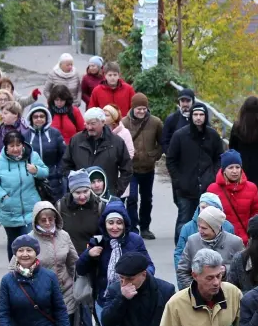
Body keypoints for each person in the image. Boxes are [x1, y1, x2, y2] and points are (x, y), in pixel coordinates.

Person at [75, 199, 154, 326]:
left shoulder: (134, 240)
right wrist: (88, 254)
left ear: (125, 223)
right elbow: (80, 269)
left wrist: (142, 277)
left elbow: (149, 265)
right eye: (111, 223)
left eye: (119, 222)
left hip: (133, 297)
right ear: (104, 224)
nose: (115, 227)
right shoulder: (97, 241)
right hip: (106, 299)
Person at [16, 201, 84, 326]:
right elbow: (16, 267)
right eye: (43, 219)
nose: (47, 223)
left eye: (50, 219)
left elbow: (74, 262)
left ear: (56, 218)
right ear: (36, 220)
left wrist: (78, 282)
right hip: (41, 299)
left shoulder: (64, 236)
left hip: (66, 294)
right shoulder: (28, 240)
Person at [58, 168, 110, 326]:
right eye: (78, 192)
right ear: (71, 192)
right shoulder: (61, 206)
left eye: (85, 191)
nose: (82, 196)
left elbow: (107, 233)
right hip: (69, 262)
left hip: (93, 261)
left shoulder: (100, 207)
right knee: (78, 303)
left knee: (90, 301)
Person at [0, 130, 49, 259]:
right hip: (9, 210)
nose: (15, 149)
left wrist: (36, 170)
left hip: (30, 209)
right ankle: (14, 272)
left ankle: (30, 271)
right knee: (14, 244)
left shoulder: (32, 156)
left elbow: (45, 172)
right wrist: (2, 196)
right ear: (6, 147)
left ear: (23, 144)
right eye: (11, 146)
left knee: (28, 241)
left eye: (18, 145)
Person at [166, 101, 225, 238]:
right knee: (184, 221)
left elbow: (219, 157)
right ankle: (181, 253)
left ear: (205, 117)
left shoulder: (213, 135)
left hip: (207, 187)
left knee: (208, 221)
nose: (198, 117)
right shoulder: (180, 135)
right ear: (191, 116)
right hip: (185, 188)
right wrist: (178, 179)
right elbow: (171, 159)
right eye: (195, 114)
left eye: (201, 114)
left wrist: (213, 176)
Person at [62, 107, 132, 199]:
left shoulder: (116, 142)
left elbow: (127, 169)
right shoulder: (76, 140)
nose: (89, 127)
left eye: (93, 124)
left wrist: (117, 190)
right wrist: (75, 185)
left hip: (107, 196)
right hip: (81, 197)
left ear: (103, 122)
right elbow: (66, 166)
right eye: (87, 124)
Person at [122, 93, 162, 240]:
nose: (141, 111)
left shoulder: (156, 122)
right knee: (131, 198)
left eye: (144, 108)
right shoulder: (124, 123)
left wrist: (155, 155)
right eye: (139, 108)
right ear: (133, 107)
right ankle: (133, 227)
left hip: (148, 168)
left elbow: (162, 142)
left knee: (147, 199)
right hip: (131, 169)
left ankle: (145, 227)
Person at [177, 206, 243, 291]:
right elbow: (182, 271)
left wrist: (226, 271)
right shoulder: (192, 241)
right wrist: (196, 291)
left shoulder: (235, 242)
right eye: (199, 226)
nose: (200, 231)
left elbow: (243, 273)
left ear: (215, 228)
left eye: (204, 228)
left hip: (227, 295)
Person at [206, 149, 258, 245]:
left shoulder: (252, 188)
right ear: (224, 170)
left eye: (237, 167)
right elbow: (207, 216)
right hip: (221, 242)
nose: (234, 171)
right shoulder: (213, 189)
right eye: (231, 167)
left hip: (245, 242)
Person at [173, 192, 234, 275]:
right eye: (203, 207)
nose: (205, 210)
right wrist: (187, 279)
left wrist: (225, 271)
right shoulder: (187, 228)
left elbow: (234, 256)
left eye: (209, 207)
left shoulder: (228, 227)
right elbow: (179, 255)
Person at [229, 96, 258, 198]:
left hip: (241, 170)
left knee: (240, 200)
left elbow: (232, 150)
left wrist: (231, 169)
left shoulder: (238, 127)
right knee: (257, 202)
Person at [23, 104, 68, 199]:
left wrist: (58, 171)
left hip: (54, 179)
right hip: (33, 179)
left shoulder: (55, 133)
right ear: (31, 118)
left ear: (46, 117)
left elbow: (64, 155)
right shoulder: (25, 136)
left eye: (42, 116)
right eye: (35, 117)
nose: (39, 119)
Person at [161, 88, 194, 155]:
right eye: (182, 101)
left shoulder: (200, 118)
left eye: (188, 101)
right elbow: (164, 140)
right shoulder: (172, 119)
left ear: (192, 101)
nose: (185, 104)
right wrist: (170, 154)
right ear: (179, 102)